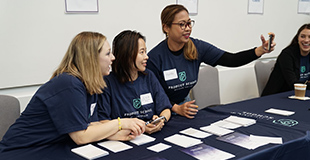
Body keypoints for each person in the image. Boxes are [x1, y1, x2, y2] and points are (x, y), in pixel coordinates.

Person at [0, 32, 145, 159]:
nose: (113, 58)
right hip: (24, 151)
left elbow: (92, 124)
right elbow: (81, 136)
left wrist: (114, 134)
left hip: (54, 147)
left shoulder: (90, 83)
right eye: (107, 54)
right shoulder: (69, 84)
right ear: (91, 58)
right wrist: (121, 123)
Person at [147, 4, 276, 119]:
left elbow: (231, 60)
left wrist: (260, 51)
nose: (187, 28)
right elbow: (154, 94)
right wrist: (176, 108)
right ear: (166, 28)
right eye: (182, 24)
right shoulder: (155, 58)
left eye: (189, 23)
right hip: (163, 111)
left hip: (185, 107)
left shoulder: (197, 47)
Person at [98, 30, 172, 134]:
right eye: (141, 52)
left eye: (145, 52)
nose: (146, 57)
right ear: (127, 55)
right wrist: (138, 128)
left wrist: (160, 120)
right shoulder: (108, 83)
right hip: (123, 138)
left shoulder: (148, 76)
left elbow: (166, 109)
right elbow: (103, 122)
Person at [262, 24, 310, 96]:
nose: (306, 40)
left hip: (303, 95)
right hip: (280, 96)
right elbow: (293, 84)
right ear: (298, 38)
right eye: (302, 36)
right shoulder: (287, 55)